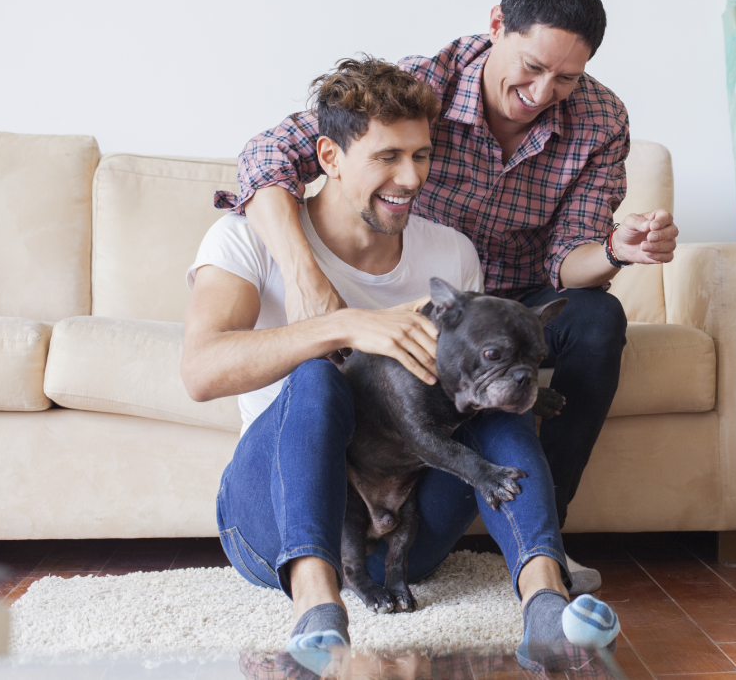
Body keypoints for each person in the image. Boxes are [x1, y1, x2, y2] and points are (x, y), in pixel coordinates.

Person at [219, 0, 679, 595]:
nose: (544, 92)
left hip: (512, 305)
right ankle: (320, 595)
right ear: (496, 26)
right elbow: (267, 156)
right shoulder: (417, 88)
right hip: (440, 312)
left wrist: (614, 250)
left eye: (566, 79)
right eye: (532, 66)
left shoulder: (599, 122)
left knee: (587, 327)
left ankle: (543, 548)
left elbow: (566, 259)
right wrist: (310, 288)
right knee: (329, 379)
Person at [183, 56, 617, 675]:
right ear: (330, 158)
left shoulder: (451, 253)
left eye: (421, 156)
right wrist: (342, 326)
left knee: (495, 390)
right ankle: (319, 609)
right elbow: (199, 372)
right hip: (275, 523)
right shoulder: (243, 239)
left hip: (409, 530)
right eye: (387, 157)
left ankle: (545, 601)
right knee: (317, 375)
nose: (410, 177)